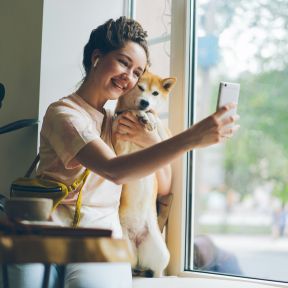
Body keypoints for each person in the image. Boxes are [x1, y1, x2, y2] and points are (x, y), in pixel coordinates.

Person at [2, 16, 240, 288]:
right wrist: (192, 137)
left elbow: (162, 186)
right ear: (96, 57)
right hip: (47, 227)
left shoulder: (120, 121)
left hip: (102, 233)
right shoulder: (64, 113)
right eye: (124, 63)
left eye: (137, 71)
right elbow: (113, 170)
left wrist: (150, 140)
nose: (129, 77)